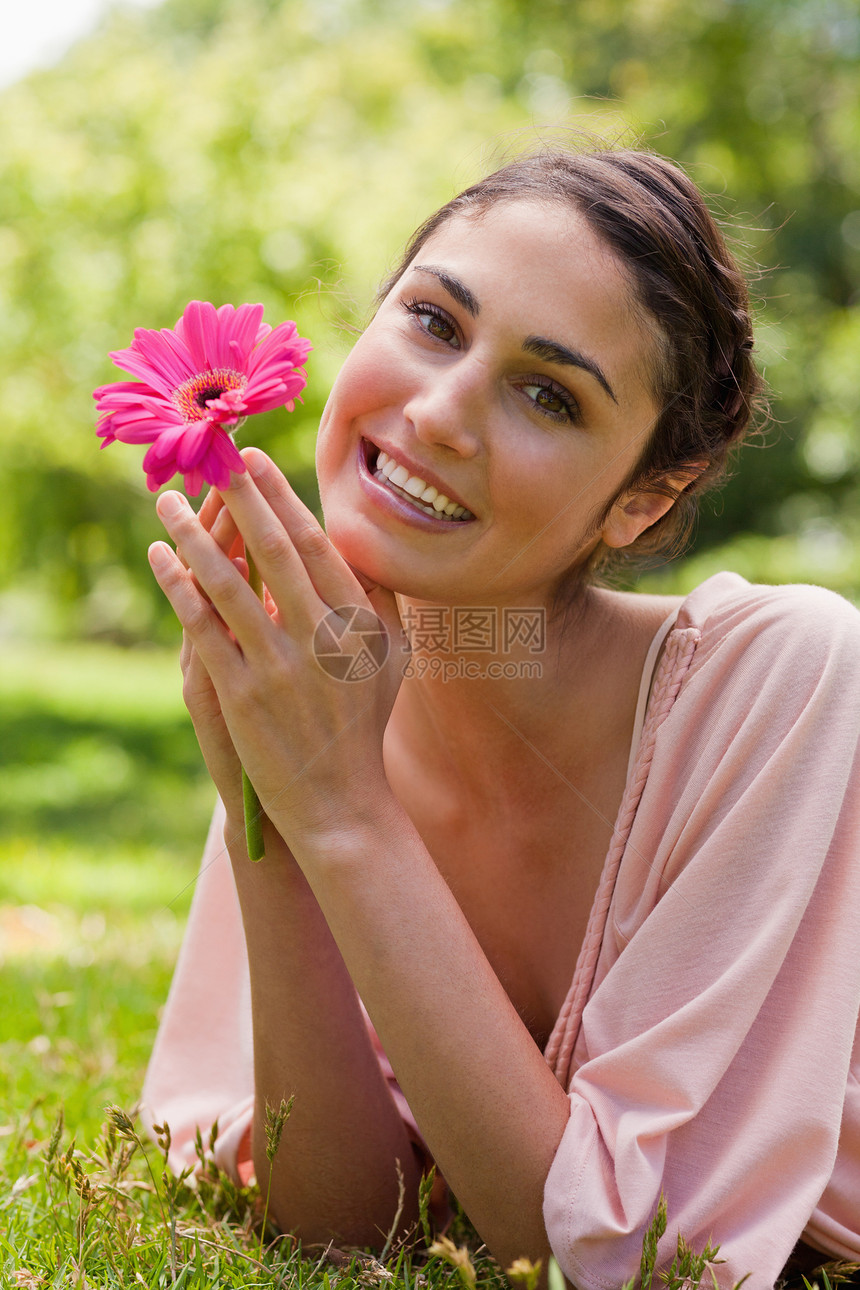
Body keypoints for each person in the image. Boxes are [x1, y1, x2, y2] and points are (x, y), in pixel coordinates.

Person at [142, 146, 860, 1289]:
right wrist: (272, 811)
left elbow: (632, 1258)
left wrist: (341, 810)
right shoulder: (327, 684)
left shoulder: (779, 676)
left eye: (547, 395)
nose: (437, 414)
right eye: (431, 321)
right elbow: (340, 1221)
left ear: (642, 499)